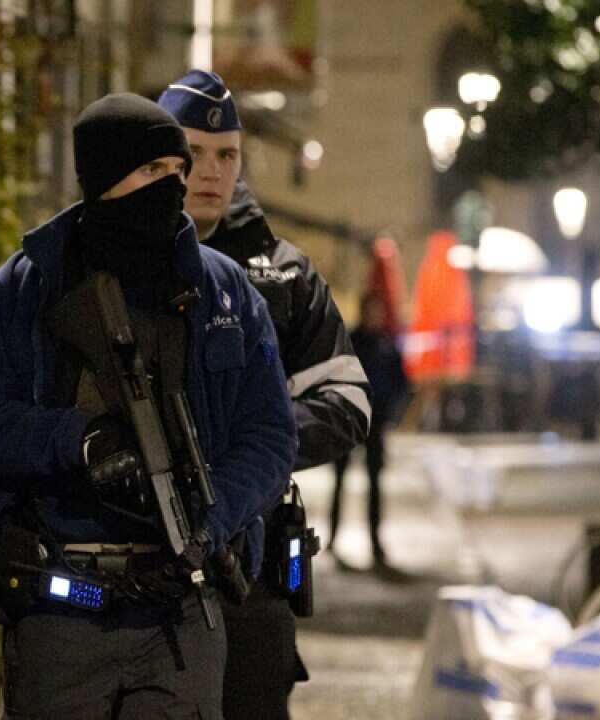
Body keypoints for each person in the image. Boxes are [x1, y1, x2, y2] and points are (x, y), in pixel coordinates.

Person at [0, 92, 297, 719]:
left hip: (183, 609)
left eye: (177, 171)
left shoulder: (224, 291)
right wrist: (78, 440)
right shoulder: (27, 285)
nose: (173, 185)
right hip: (64, 606)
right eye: (152, 171)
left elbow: (269, 437)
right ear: (105, 179)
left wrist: (211, 514)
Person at [157, 70, 372, 720]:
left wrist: (251, 444)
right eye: (193, 153)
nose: (211, 171)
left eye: (227, 155)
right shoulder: (118, 263)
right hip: (141, 568)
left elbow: (349, 402)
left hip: (250, 570)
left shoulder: (282, 273)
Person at [330, 291, 410, 570]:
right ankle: (332, 538)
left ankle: (375, 542)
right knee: (340, 481)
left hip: (375, 422)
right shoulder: (351, 341)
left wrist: (391, 411)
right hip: (349, 420)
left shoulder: (386, 343)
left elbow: (401, 381)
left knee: (374, 484)